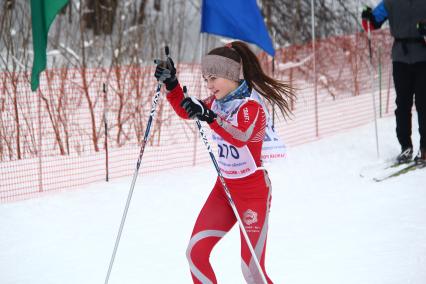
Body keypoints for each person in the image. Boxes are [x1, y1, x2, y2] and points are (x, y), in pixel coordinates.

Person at [154, 41, 295, 283]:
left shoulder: (252, 107)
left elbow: (240, 136)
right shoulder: (216, 103)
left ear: (231, 75)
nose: (208, 85)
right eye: (206, 79)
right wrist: (172, 85)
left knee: (252, 270)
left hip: (253, 193)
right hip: (225, 189)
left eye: (213, 78)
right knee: (195, 253)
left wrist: (210, 117)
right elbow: (186, 109)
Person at [361, 1, 426, 164]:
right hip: (400, 59)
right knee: (402, 105)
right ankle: (406, 147)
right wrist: (367, 18)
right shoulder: (391, 2)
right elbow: (373, 23)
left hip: (423, 58)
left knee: (423, 105)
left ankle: (424, 148)